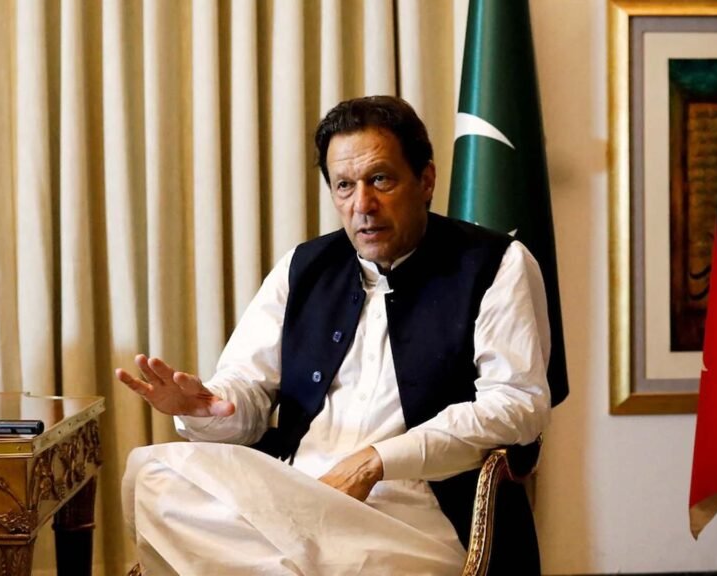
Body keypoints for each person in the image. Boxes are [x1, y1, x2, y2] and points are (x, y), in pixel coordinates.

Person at [119, 95, 552, 575]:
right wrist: (205, 409)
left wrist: (377, 461)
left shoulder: (495, 264)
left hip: (410, 518)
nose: (362, 205)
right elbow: (244, 396)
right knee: (154, 474)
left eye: (380, 180)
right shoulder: (302, 267)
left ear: (426, 180)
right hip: (296, 497)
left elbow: (518, 404)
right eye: (344, 186)